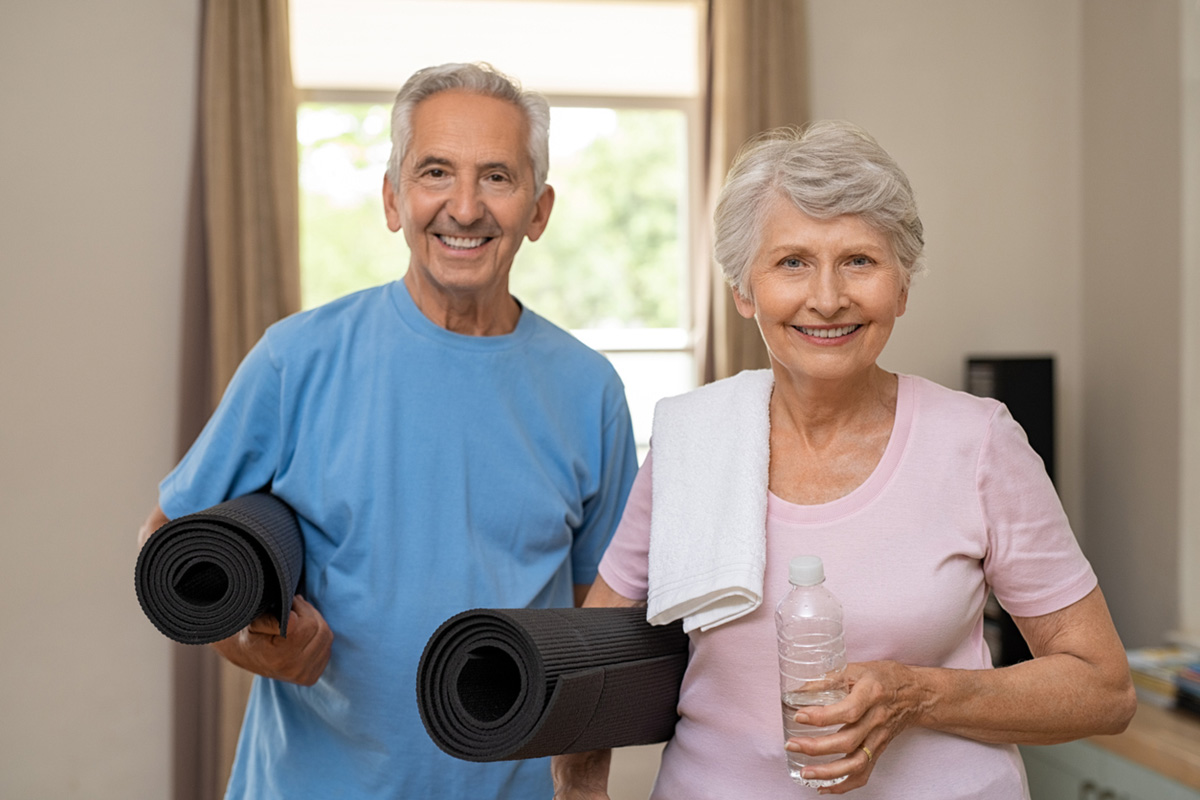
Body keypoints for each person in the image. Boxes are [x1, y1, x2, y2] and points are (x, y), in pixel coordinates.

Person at [551, 121, 1135, 798]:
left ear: (903, 287)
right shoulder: (690, 441)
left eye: (859, 260)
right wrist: (580, 788)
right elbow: (594, 662)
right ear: (744, 290)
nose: (827, 298)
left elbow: (1104, 687)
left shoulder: (979, 444)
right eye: (791, 261)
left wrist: (916, 694)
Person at [138, 62, 638, 799]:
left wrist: (585, 783)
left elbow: (608, 617)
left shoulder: (590, 390)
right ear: (393, 198)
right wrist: (250, 647)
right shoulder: (294, 358)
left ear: (539, 209)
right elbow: (166, 543)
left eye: (497, 177)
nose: (464, 208)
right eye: (435, 172)